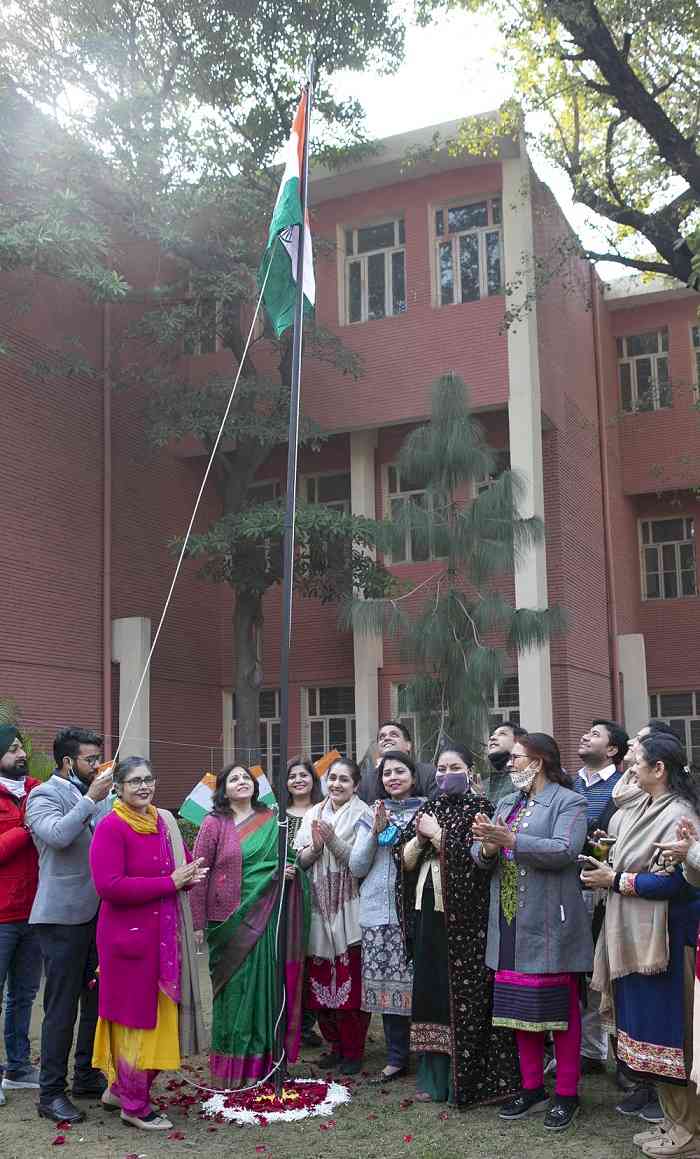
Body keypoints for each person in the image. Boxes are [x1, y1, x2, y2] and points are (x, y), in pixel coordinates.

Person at [582, 733, 700, 1157]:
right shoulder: (646, 806)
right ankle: (673, 1122)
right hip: (636, 933)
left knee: (672, 1035)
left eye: (638, 761)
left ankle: (690, 1130)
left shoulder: (679, 814)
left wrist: (613, 880)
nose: (631, 767)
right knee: (648, 1035)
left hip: (667, 940)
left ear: (659, 769)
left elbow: (673, 883)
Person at [472, 732, 592, 1130]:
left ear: (538, 761)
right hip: (508, 922)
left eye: (517, 758)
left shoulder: (568, 801)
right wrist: (488, 846)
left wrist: (511, 840)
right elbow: (482, 855)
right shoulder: (506, 802)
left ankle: (567, 1093)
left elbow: (564, 850)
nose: (510, 764)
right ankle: (532, 1088)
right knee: (518, 1009)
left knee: (560, 1012)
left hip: (548, 921)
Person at [397, 744, 520, 1107]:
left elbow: (476, 863)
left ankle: (463, 1081)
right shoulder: (428, 807)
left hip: (466, 923)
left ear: (470, 772)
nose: (444, 773)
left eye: (453, 766)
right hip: (427, 913)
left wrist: (438, 837)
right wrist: (420, 839)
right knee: (430, 993)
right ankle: (432, 1079)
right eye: (439, 767)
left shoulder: (481, 809)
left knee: (465, 997)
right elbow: (402, 860)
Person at [89, 757, 207, 1130]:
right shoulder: (112, 827)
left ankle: (119, 1090)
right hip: (127, 943)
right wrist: (170, 882)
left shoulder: (165, 822)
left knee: (160, 1022)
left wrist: (190, 876)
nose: (144, 787)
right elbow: (108, 886)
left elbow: (180, 868)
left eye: (149, 780)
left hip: (164, 941)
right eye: (135, 781)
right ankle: (134, 1106)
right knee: (135, 1024)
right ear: (118, 788)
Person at [190, 763, 309, 1087]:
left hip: (265, 914)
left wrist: (286, 869)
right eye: (234, 778)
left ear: (255, 787)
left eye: (247, 778)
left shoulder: (272, 820)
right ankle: (231, 1067)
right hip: (226, 920)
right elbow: (199, 874)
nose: (242, 782)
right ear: (223, 789)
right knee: (231, 995)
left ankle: (262, 1064)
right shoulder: (214, 823)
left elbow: (287, 858)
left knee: (263, 989)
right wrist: (198, 922)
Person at [26, 726, 113, 1125]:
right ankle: (50, 1092)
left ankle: (86, 1074)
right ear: (67, 762)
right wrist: (91, 800)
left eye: (99, 758)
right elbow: (58, 836)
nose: (98, 766)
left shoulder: (98, 794)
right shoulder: (43, 795)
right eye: (91, 759)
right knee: (61, 1007)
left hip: (100, 913)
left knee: (95, 1000)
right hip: (61, 917)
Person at [349, 750, 425, 1082]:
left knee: (419, 986)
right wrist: (372, 833)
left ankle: (425, 1052)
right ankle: (396, 1056)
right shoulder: (371, 813)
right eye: (386, 774)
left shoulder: (427, 811)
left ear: (413, 775)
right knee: (388, 989)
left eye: (400, 771)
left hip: (418, 910)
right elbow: (357, 866)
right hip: (379, 911)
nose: (392, 778)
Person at [295, 757, 372, 1075]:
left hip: (349, 902)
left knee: (350, 983)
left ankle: (353, 1050)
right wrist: (314, 848)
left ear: (355, 785)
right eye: (332, 778)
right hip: (317, 902)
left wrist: (332, 841)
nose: (337, 784)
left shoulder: (364, 814)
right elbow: (300, 858)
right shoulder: (312, 813)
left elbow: (360, 863)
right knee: (319, 982)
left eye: (344, 779)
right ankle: (335, 1046)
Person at [573, 718, 629, 1077]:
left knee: (612, 971)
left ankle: (627, 1059)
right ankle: (590, 1052)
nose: (584, 736)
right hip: (570, 889)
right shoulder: (569, 782)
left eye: (595, 734)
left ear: (612, 750)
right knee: (581, 973)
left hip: (610, 890)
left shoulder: (623, 788)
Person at [0, 725, 42, 1106]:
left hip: (35, 913)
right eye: (11, 749)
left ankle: (17, 1068)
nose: (20, 753)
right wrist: (25, 828)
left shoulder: (36, 789)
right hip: (1, 916)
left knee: (24, 995)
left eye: (20, 747)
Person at [285, 758, 323, 1047]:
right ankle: (287, 1022)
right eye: (293, 775)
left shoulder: (324, 811)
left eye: (304, 775)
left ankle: (308, 1023)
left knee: (315, 957)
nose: (298, 780)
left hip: (321, 891)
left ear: (313, 779)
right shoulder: (277, 816)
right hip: (286, 892)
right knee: (290, 955)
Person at [357, 721, 436, 804]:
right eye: (382, 737)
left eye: (394, 735)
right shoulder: (364, 780)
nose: (386, 739)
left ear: (408, 745)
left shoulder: (429, 773)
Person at [486, 720, 528, 804]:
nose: (492, 738)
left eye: (502, 734)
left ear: (518, 742)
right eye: (492, 735)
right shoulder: (485, 784)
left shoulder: (528, 778)